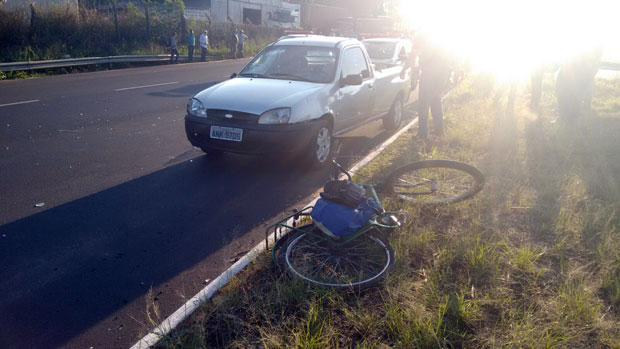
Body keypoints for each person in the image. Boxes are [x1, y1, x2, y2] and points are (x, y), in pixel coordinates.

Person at [402, 37, 452, 139]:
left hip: (428, 77)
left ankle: (422, 135)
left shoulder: (420, 40)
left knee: (423, 107)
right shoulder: (438, 42)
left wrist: (403, 70)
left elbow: (412, 57)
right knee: (436, 104)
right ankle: (440, 131)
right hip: (441, 77)